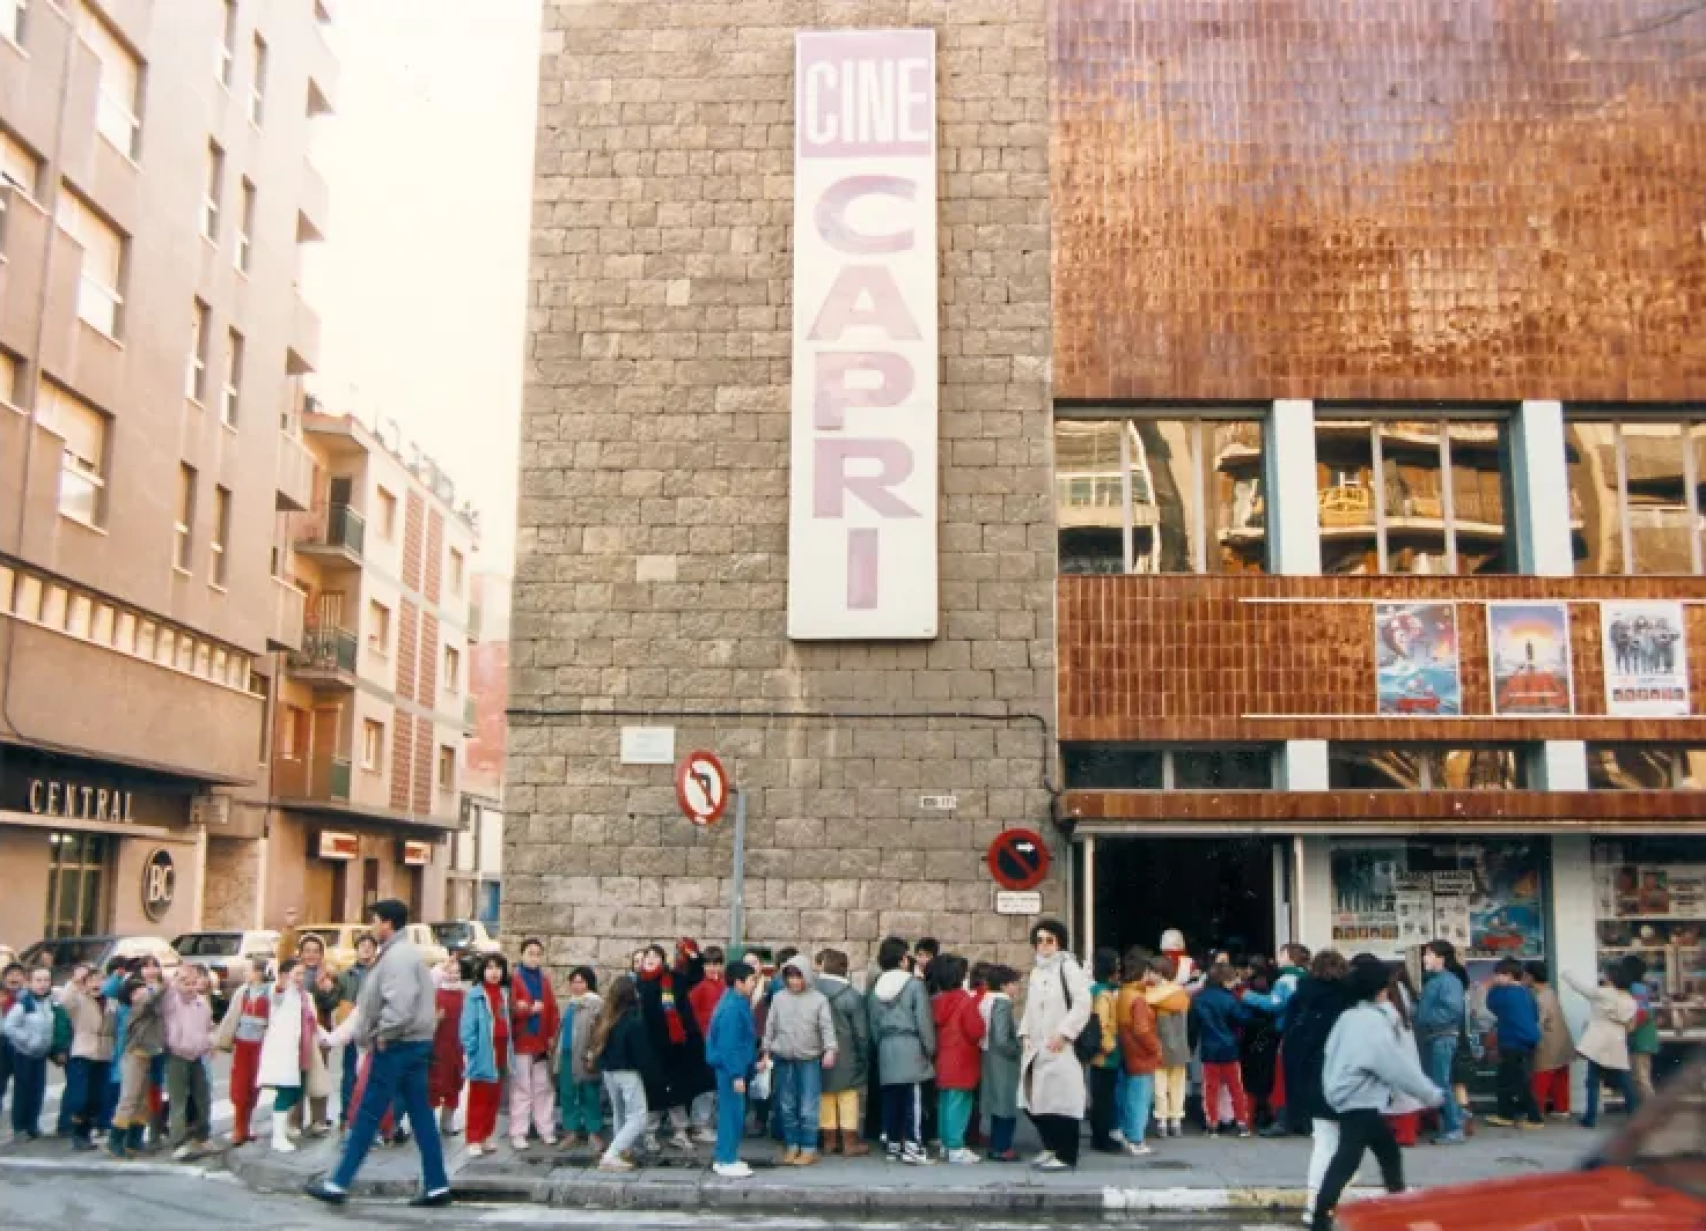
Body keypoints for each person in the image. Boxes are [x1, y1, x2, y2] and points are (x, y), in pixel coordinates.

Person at [306, 899, 451, 1209]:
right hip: (413, 1044)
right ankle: (437, 1184)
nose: (372, 926)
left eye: (375, 920)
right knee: (421, 1115)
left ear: (387, 924)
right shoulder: (402, 954)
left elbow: (399, 1004)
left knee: (368, 1114)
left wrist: (382, 1034)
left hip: (396, 1045)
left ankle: (338, 1182)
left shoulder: (397, 957)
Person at [1309, 955, 1445, 1231]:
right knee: (1349, 1160)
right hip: (1359, 1099)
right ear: (1380, 990)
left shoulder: (1350, 1017)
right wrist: (1430, 1094)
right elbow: (1394, 1066)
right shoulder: (1370, 1023)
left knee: (1384, 1153)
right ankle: (1322, 1219)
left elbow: (1330, 1054)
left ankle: (1388, 1209)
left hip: (1352, 1097)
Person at [1283, 950, 1351, 1226]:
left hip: (1313, 1077)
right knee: (1347, 1145)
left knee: (1322, 1143)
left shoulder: (1302, 997)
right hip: (1346, 1078)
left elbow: (1289, 1034)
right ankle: (1336, 1201)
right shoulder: (1349, 1000)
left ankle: (1314, 1204)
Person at [1018, 919, 1092, 1171]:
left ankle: (1067, 1154)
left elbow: (1083, 1003)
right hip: (1038, 1046)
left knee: (1063, 1101)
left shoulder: (1068, 967)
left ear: (1059, 942)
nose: (1044, 945)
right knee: (1035, 1101)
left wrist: (1064, 1034)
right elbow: (1030, 1006)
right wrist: (1025, 1034)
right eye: (1039, 940)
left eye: (1049, 940)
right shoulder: (1037, 971)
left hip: (1061, 1046)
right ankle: (1051, 1146)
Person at [635, 940, 713, 1151]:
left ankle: (680, 1132)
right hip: (651, 1048)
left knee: (677, 1090)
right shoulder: (638, 985)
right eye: (648, 957)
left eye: (655, 956)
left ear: (662, 961)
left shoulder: (672, 980)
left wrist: (693, 955)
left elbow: (695, 976)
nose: (651, 960)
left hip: (675, 1046)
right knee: (654, 1092)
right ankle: (649, 1133)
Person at [867, 935, 936, 1165]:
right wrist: (929, 1048)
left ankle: (893, 1144)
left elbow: (873, 1024)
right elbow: (923, 1020)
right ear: (903, 959)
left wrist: (882, 1045)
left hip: (886, 1045)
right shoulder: (914, 985)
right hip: (911, 1044)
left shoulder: (875, 987)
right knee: (913, 1099)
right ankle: (914, 1146)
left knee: (891, 1098)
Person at [762, 954, 836, 1166]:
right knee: (786, 1105)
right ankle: (792, 1145)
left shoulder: (819, 1000)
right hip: (783, 1058)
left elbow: (826, 1027)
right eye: (790, 976)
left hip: (809, 1059)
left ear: (806, 976)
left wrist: (830, 1049)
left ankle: (808, 1148)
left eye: (798, 976)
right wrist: (765, 1049)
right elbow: (770, 1026)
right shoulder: (778, 998)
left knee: (808, 1106)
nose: (794, 981)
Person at [588, 975, 656, 1172]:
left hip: (609, 1072)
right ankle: (612, 1154)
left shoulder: (607, 1017)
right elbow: (642, 1053)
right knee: (638, 1116)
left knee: (619, 1113)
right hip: (627, 1071)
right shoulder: (633, 1020)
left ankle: (622, 1149)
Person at [1564, 962, 1638, 1129]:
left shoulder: (1604, 993)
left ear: (1612, 978)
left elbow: (1581, 988)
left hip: (1598, 1040)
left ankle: (1590, 1118)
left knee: (1593, 1081)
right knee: (1625, 1081)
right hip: (1618, 1040)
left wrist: (1567, 974)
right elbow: (1629, 1023)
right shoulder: (1630, 1000)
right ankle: (1634, 1115)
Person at [705, 960, 761, 1179]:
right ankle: (725, 1159)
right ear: (738, 982)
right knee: (731, 1115)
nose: (753, 984)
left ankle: (727, 1156)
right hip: (730, 1071)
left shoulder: (735, 1002)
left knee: (733, 1114)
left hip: (732, 1068)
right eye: (751, 980)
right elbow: (729, 1045)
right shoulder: (732, 1007)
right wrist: (737, 1073)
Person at [929, 953, 986, 1165]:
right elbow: (976, 1030)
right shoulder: (964, 1000)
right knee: (960, 1103)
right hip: (963, 1057)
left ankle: (946, 1143)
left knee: (945, 1102)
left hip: (943, 1056)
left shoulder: (937, 1001)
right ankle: (955, 1147)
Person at [813, 948, 869, 1157]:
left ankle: (829, 1141)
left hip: (818, 1051)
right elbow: (861, 1034)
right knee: (847, 1096)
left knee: (825, 1093)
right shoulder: (852, 996)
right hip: (846, 1053)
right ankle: (849, 1143)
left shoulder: (813, 991)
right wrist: (864, 1057)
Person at [258, 960, 318, 1154]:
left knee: (296, 1093)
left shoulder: (304, 997)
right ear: (284, 975)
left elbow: (311, 1023)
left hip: (300, 1051)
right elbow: (274, 992)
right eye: (297, 973)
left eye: (303, 974)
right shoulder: (280, 994)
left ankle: (281, 1129)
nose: (301, 978)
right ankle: (278, 1136)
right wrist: (280, 983)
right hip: (282, 1052)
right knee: (285, 1092)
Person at [1414, 939, 1469, 1144]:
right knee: (1438, 1082)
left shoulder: (1448, 981)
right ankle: (1455, 1119)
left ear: (1441, 958)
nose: (1424, 958)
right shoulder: (1437, 980)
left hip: (1441, 1037)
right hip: (1435, 1036)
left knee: (1440, 1083)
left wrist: (1424, 1018)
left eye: (1428, 954)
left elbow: (1452, 1010)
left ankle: (1454, 1127)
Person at [509, 939, 560, 1150]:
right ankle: (518, 1132)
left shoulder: (544, 980)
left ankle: (545, 1128)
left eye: (538, 954)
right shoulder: (514, 980)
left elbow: (552, 1010)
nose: (534, 957)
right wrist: (528, 1009)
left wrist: (551, 1036)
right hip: (522, 1041)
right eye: (530, 953)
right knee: (521, 1088)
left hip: (540, 1042)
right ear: (522, 955)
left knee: (543, 1087)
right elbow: (510, 1010)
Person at [159, 964, 215, 1159]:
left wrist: (208, 1043)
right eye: (185, 983)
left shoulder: (202, 1003)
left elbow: (207, 1027)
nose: (190, 987)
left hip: (197, 1054)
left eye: (193, 983)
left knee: (203, 1097)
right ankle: (178, 1142)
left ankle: (202, 1136)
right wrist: (176, 977)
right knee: (178, 1100)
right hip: (177, 1055)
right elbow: (164, 985)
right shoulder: (172, 1001)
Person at [1192, 962, 1253, 1137]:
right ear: (1225, 981)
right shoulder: (1231, 998)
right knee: (1235, 1087)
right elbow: (1242, 1018)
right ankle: (1242, 1123)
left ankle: (1212, 1123)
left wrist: (1191, 1044)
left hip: (1209, 1049)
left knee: (1211, 1088)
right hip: (1229, 1048)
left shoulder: (1200, 998)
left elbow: (1194, 1026)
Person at [107, 976, 165, 1159]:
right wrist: (163, 985)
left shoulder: (152, 1008)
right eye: (135, 991)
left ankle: (134, 1141)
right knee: (129, 1098)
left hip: (150, 1056)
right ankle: (115, 1141)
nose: (141, 992)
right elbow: (153, 998)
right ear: (130, 998)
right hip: (135, 1056)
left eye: (142, 988)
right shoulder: (138, 1008)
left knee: (143, 1102)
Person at [459, 953, 511, 1157]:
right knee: (479, 1096)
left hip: (501, 1049)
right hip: (483, 1051)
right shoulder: (475, 994)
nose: (494, 972)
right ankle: (473, 1137)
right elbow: (467, 1026)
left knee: (494, 1097)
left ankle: (487, 1134)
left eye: (498, 967)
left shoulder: (505, 993)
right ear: (482, 971)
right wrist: (472, 1049)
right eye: (489, 967)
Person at [57, 964, 113, 1151]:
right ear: (85, 984)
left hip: (104, 1053)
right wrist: (74, 982)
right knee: (80, 1097)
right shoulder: (79, 1000)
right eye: (92, 980)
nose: (97, 984)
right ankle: (78, 1133)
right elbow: (65, 1001)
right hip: (83, 1051)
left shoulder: (111, 1002)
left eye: (100, 980)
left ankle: (87, 1131)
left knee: (97, 1098)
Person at [215, 962, 271, 1146]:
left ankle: (246, 1126)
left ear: (259, 972)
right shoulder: (242, 991)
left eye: (249, 970)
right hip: (242, 1042)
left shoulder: (270, 992)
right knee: (240, 1084)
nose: (247, 973)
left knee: (255, 1085)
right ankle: (239, 1128)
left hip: (261, 1043)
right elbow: (232, 1015)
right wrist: (222, 1038)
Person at [1484, 958, 1542, 1129]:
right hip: (1527, 1041)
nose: (1495, 978)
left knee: (1517, 1082)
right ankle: (1505, 1114)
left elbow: (1491, 1004)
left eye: (1498, 974)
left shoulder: (1504, 993)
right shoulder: (1526, 992)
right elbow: (1535, 1015)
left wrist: (1490, 987)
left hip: (1513, 1042)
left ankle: (1534, 1118)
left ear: (1509, 975)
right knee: (1507, 1079)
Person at [1114, 948, 1160, 1156]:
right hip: (1140, 1055)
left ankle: (1125, 1132)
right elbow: (1142, 1030)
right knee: (1139, 1099)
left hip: (1125, 1051)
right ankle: (1136, 1139)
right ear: (1143, 972)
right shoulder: (1139, 999)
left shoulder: (1123, 993)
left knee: (1125, 1096)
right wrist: (1156, 1047)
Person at [2, 966, 54, 1140]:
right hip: (23, 1052)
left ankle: (33, 1124)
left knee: (37, 1090)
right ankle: (20, 1127)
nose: (43, 984)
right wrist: (28, 1040)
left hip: (40, 1053)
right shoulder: (24, 1003)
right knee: (23, 1091)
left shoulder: (49, 1001)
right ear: (30, 983)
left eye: (46, 980)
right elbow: (9, 1026)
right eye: (38, 980)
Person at [555, 966, 603, 1148]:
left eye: (581, 981)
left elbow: (599, 1033)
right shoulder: (570, 1004)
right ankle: (571, 1131)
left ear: (589, 983)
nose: (577, 985)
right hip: (566, 1054)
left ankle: (594, 1131)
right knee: (567, 1094)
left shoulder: (595, 1004)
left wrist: (593, 1054)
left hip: (585, 1056)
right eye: (574, 981)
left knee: (589, 1093)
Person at [1145, 955, 1191, 1137]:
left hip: (1159, 1045)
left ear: (1158, 973)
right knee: (1177, 1085)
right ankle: (1176, 1120)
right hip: (1180, 1046)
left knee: (1159, 1086)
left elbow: (1147, 1002)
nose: (1147, 975)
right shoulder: (1180, 993)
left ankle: (1162, 1121)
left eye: (1150, 971)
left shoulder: (1152, 995)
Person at [980, 964, 1022, 1162]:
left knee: (997, 1104)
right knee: (1006, 1104)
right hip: (1003, 1060)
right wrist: (1016, 1050)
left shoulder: (987, 1000)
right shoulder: (1002, 1003)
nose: (1018, 987)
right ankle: (1002, 1146)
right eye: (1015, 983)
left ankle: (996, 1144)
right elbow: (1002, 1037)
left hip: (989, 1056)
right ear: (1004, 985)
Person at [1381, 965, 1426, 1147]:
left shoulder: (1385, 1009)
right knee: (1405, 1096)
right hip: (1406, 1053)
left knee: (1393, 1096)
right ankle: (1408, 1132)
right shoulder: (1403, 999)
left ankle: (1403, 1134)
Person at [1085, 947, 1123, 1152]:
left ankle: (1099, 1136)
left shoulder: (1095, 990)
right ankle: (1101, 1138)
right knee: (1104, 1100)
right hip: (1106, 1055)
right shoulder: (1104, 994)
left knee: (1100, 1097)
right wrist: (1109, 1046)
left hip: (1099, 1054)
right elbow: (1101, 1024)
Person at [1524, 961, 1573, 1119]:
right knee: (1560, 1076)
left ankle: (1536, 1111)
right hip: (1562, 1041)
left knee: (1541, 1077)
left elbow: (1538, 1023)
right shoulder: (1550, 993)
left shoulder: (1540, 998)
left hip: (1547, 1044)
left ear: (1531, 977)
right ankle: (1562, 1108)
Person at [687, 946, 726, 1138]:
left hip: (722, 1043)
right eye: (708, 964)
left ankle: (709, 1122)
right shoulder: (699, 989)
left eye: (716, 964)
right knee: (706, 1087)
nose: (712, 968)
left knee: (717, 1086)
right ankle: (700, 1124)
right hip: (705, 1042)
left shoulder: (726, 985)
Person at [428, 955, 467, 1137]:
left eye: (457, 972)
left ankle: (447, 1121)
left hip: (457, 1048)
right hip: (438, 1048)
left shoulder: (464, 996)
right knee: (434, 1084)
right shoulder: (435, 995)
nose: (453, 976)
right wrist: (435, 1019)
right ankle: (427, 1121)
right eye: (449, 972)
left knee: (455, 1083)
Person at [1623, 955, 1660, 1102]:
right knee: (1639, 1078)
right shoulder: (1639, 987)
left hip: (1641, 1039)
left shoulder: (1636, 988)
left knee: (1641, 1079)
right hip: (1643, 1038)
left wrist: (1628, 1029)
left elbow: (1642, 1013)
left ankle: (1651, 1115)